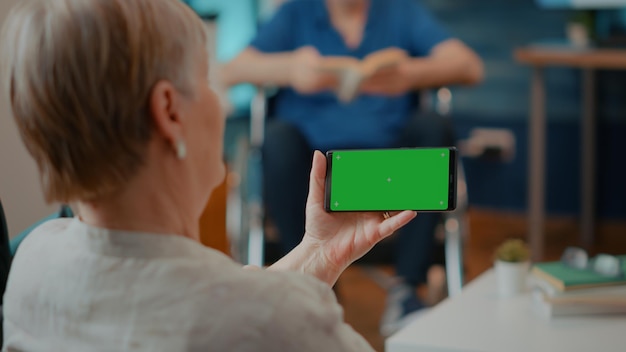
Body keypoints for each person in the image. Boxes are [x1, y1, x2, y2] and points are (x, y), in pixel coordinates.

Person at [0, 0, 417, 350]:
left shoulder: (33, 260)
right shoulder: (281, 324)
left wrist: (318, 255)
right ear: (169, 112)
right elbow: (245, 316)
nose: (217, 102)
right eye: (203, 80)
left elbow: (208, 305)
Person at [222, 0, 484, 335]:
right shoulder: (296, 13)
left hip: (388, 168)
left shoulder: (399, 12)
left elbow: (469, 66)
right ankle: (317, 290)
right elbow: (231, 70)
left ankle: (407, 291)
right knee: (276, 139)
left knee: (434, 126)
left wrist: (409, 75)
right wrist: (291, 70)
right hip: (315, 170)